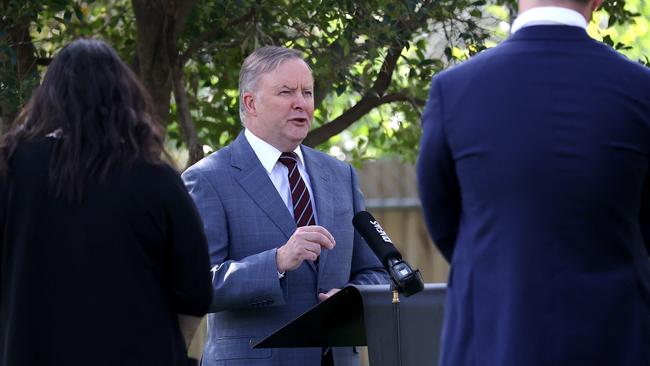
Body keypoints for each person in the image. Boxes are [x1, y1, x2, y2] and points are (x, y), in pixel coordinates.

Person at [417, 0, 650, 365]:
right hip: (616, 339)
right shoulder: (640, 89)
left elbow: (444, 222)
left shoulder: (455, 90)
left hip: (496, 338)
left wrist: (497, 263)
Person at [0, 39, 213, 366]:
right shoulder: (155, 178)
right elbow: (196, 291)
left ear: (48, 98)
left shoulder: (11, 170)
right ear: (124, 98)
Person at [182, 46, 389, 366]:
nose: (301, 102)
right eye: (286, 92)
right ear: (251, 103)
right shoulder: (208, 179)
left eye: (307, 92)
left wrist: (353, 300)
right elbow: (196, 285)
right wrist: (277, 261)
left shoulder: (340, 175)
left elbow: (375, 271)